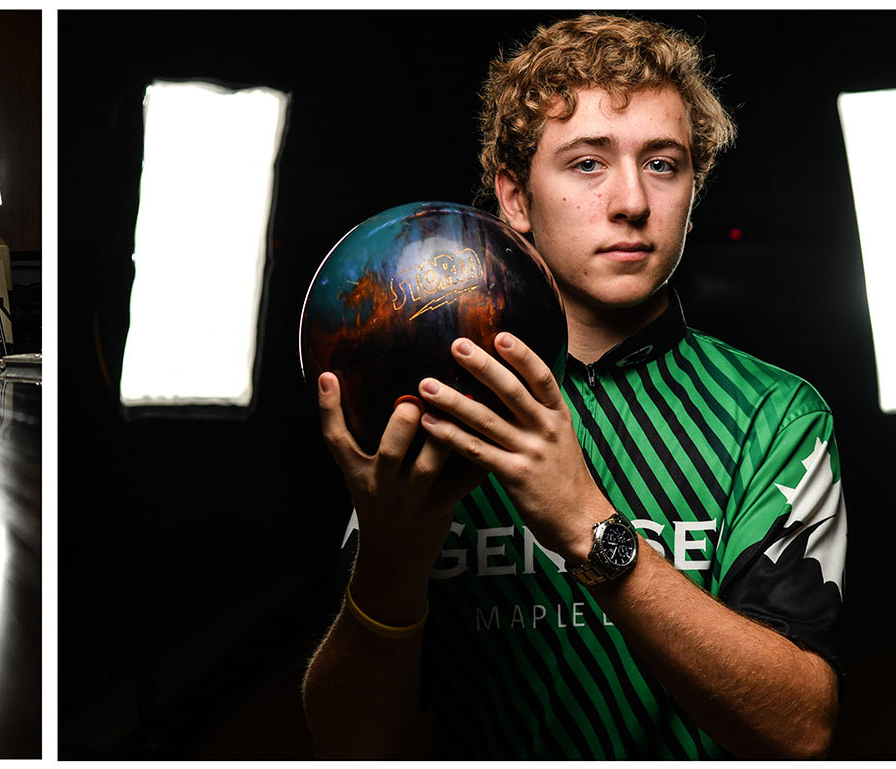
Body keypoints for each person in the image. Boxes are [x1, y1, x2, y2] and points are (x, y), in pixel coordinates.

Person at [302, 14, 847, 760]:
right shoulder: (440, 400)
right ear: (516, 198)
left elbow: (799, 728)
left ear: (694, 187)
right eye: (587, 163)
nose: (631, 200)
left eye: (663, 163)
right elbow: (347, 746)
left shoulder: (774, 414)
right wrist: (392, 562)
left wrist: (589, 527)